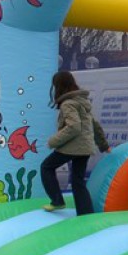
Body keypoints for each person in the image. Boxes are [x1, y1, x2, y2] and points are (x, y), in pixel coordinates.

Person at [41, 70, 97, 215]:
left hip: (74, 146)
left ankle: (57, 200)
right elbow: (92, 125)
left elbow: (74, 127)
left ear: (59, 86)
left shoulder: (68, 103)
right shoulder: (81, 101)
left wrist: (54, 141)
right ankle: (86, 214)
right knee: (78, 182)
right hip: (85, 147)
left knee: (46, 167)